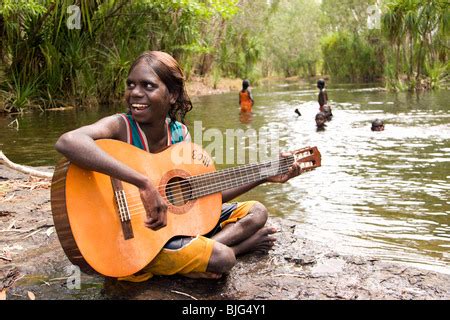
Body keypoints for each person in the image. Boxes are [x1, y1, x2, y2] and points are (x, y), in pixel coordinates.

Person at [55, 51, 303, 282]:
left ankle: (200, 256)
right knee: (224, 258)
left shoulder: (179, 134)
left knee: (257, 211)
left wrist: (264, 176)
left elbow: (202, 194)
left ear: (172, 95)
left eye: (148, 85)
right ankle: (229, 251)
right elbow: (68, 141)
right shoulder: (120, 126)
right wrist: (143, 183)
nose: (135, 93)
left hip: (168, 231)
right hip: (135, 241)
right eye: (131, 84)